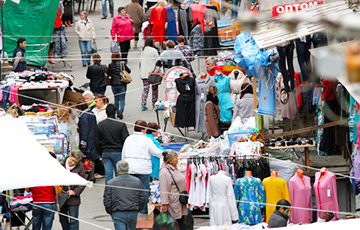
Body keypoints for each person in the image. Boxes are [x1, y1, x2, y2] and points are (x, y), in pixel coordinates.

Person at [122, 119, 165, 213]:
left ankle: (132, 208)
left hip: (131, 168)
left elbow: (123, 154)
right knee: (144, 189)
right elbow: (156, 152)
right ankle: (143, 209)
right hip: (143, 168)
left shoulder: (128, 139)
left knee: (132, 190)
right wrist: (166, 154)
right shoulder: (147, 140)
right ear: (144, 129)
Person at [103, 161, 146, 230]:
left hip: (117, 212)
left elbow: (107, 200)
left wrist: (111, 211)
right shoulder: (137, 181)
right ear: (128, 169)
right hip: (132, 212)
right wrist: (137, 209)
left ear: (117, 169)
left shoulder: (111, 183)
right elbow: (142, 197)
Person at [95, 104, 129, 184]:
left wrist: (99, 152)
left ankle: (109, 192)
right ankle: (119, 190)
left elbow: (96, 140)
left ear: (106, 112)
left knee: (108, 174)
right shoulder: (121, 124)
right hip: (118, 151)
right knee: (119, 173)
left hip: (106, 152)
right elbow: (125, 139)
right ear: (115, 112)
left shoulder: (100, 125)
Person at [29, 152, 62, 230]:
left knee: (36, 226)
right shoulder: (53, 172)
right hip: (49, 202)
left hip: (36, 202)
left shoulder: (33, 172)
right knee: (47, 227)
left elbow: (27, 189)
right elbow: (58, 191)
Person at [159, 151, 188, 228]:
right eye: (175, 157)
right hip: (173, 203)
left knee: (180, 222)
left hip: (179, 201)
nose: (177, 159)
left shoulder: (174, 168)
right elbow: (164, 189)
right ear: (170, 161)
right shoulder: (165, 172)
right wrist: (164, 204)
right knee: (173, 223)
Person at [59, 150, 87, 230]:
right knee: (63, 219)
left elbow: (83, 182)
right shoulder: (61, 165)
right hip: (61, 196)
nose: (73, 163)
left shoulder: (80, 168)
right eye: (73, 160)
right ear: (70, 155)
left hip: (73, 199)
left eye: (76, 162)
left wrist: (75, 192)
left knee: (73, 220)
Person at [76, 100, 98, 182]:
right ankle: (91, 176)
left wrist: (83, 142)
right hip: (92, 139)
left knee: (87, 158)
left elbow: (84, 130)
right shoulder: (91, 113)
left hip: (87, 141)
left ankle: (89, 176)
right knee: (90, 158)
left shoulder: (84, 116)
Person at [107, 51, 131, 120]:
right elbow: (129, 71)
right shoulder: (122, 64)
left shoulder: (110, 65)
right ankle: (121, 111)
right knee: (122, 98)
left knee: (116, 98)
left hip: (114, 84)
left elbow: (108, 73)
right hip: (122, 83)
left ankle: (117, 113)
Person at [140, 36, 159, 111]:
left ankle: (143, 104)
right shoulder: (154, 50)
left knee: (145, 89)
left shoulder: (143, 50)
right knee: (155, 89)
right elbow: (157, 62)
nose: (154, 43)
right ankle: (154, 104)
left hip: (144, 73)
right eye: (153, 42)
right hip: (152, 73)